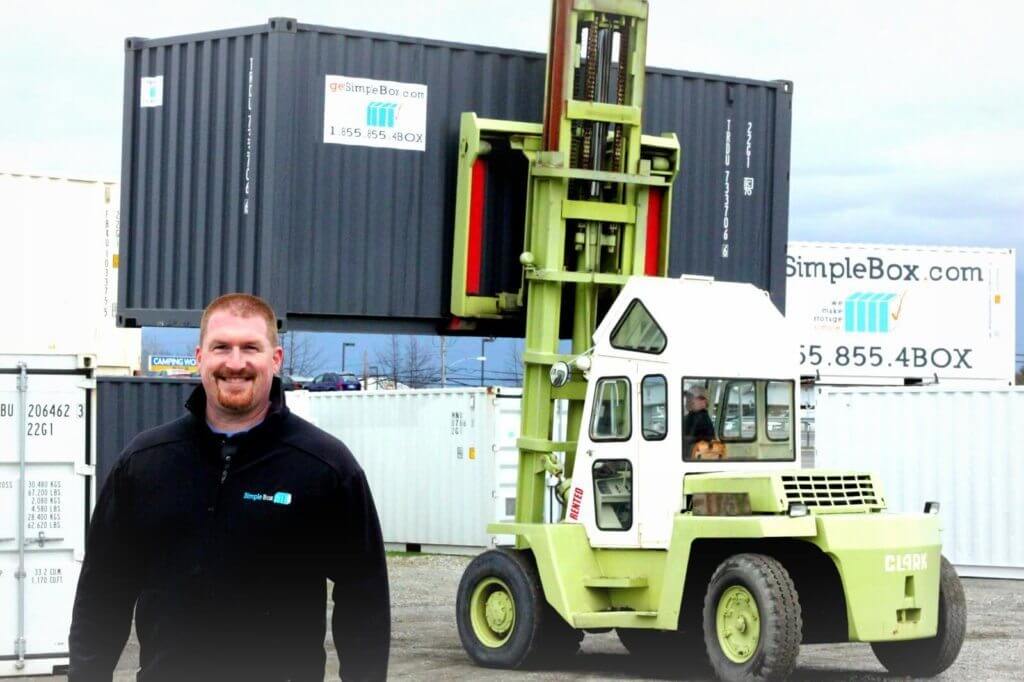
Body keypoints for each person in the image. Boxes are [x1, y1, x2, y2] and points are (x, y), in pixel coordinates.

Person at [69, 293, 390, 682]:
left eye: (250, 348)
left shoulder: (325, 468)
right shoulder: (145, 463)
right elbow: (104, 591)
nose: (235, 363)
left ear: (275, 359)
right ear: (200, 356)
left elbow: (364, 598)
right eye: (222, 347)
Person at [684, 386, 716, 454]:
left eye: (692, 397)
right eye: (688, 397)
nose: (689, 400)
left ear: (703, 401)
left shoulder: (702, 419)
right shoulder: (692, 416)